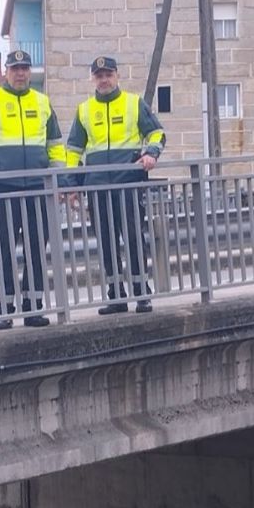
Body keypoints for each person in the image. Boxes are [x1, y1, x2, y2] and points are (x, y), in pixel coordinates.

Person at [0, 49, 66, 330]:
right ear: (6, 72)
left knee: (36, 249)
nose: (20, 74)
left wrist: (59, 182)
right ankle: (5, 308)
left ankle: (33, 307)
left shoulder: (42, 102)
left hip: (37, 188)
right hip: (2, 188)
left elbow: (55, 147)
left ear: (29, 72)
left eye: (24, 69)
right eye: (15, 69)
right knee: (4, 250)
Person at [64, 55, 166, 315]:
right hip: (97, 188)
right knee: (106, 242)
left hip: (128, 184)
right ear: (92, 79)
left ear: (117, 75)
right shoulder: (84, 110)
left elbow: (157, 133)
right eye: (99, 76)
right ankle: (116, 296)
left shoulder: (133, 103)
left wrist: (151, 153)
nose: (104, 80)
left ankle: (141, 293)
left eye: (108, 74)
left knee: (133, 238)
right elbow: (73, 150)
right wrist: (71, 184)